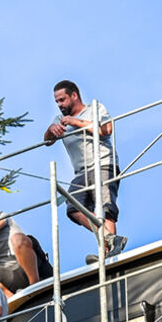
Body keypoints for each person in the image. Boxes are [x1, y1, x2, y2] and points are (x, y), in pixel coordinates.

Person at [44, 79, 127, 263]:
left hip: (103, 163)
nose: (59, 105)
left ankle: (108, 253)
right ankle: (110, 238)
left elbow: (106, 129)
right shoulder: (58, 120)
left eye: (62, 100)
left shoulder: (94, 109)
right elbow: (47, 141)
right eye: (57, 101)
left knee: (106, 208)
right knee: (73, 206)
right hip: (81, 171)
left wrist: (76, 122)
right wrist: (51, 130)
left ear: (74, 95)